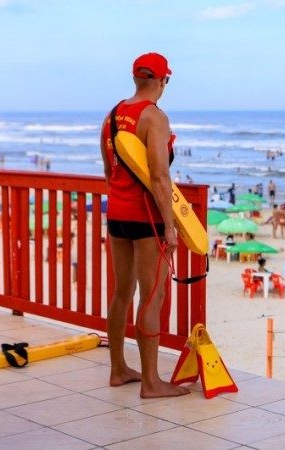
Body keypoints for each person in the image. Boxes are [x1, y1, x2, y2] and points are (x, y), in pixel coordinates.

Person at [99, 52, 189, 398]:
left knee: (122, 293)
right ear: (163, 81)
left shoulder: (112, 116)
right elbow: (159, 177)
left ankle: (118, 369)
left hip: (117, 215)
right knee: (153, 297)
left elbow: (110, 172)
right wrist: (170, 226)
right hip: (146, 218)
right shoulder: (154, 117)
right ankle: (151, 383)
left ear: (136, 78)